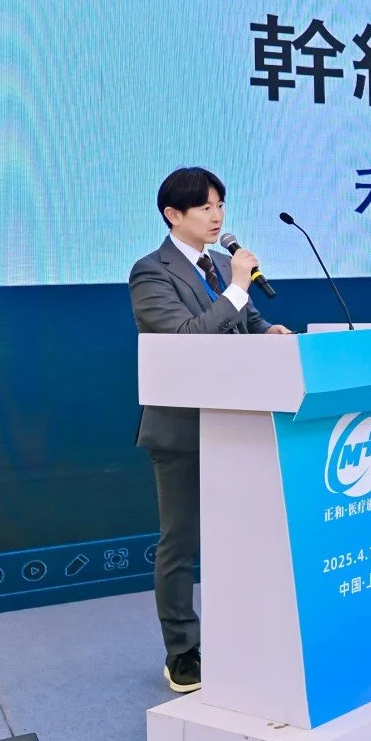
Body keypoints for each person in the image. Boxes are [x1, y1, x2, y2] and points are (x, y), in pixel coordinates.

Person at [129, 166, 291, 693]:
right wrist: (241, 289)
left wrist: (269, 332)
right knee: (180, 544)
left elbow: (243, 325)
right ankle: (183, 651)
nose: (217, 215)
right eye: (204, 207)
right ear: (174, 216)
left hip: (241, 424)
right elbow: (186, 336)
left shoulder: (223, 267)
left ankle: (246, 635)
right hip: (182, 431)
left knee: (245, 535)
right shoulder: (150, 272)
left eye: (220, 204)